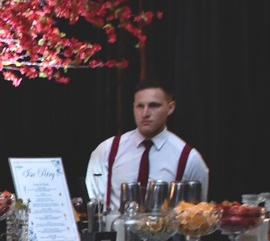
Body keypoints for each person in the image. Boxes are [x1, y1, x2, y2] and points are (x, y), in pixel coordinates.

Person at [85, 79, 209, 212]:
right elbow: (94, 208)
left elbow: (198, 215)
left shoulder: (189, 158)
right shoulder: (106, 151)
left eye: (154, 106)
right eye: (140, 106)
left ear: (170, 108)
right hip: (116, 225)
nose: (145, 114)